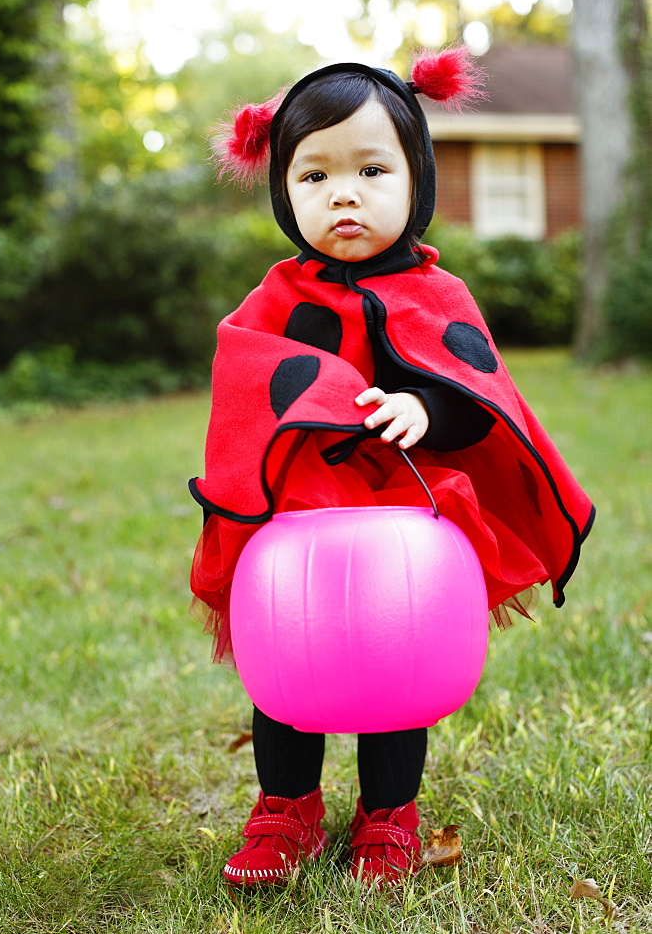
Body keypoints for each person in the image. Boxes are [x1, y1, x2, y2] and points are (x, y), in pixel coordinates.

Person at [188, 49, 595, 887]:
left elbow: (475, 392)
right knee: (288, 671)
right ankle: (286, 808)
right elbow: (251, 392)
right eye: (314, 176)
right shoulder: (273, 300)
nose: (344, 193)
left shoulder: (435, 293)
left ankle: (387, 815)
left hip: (406, 509)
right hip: (299, 513)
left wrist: (423, 406)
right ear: (284, 191)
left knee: (392, 664)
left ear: (417, 181)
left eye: (372, 168)